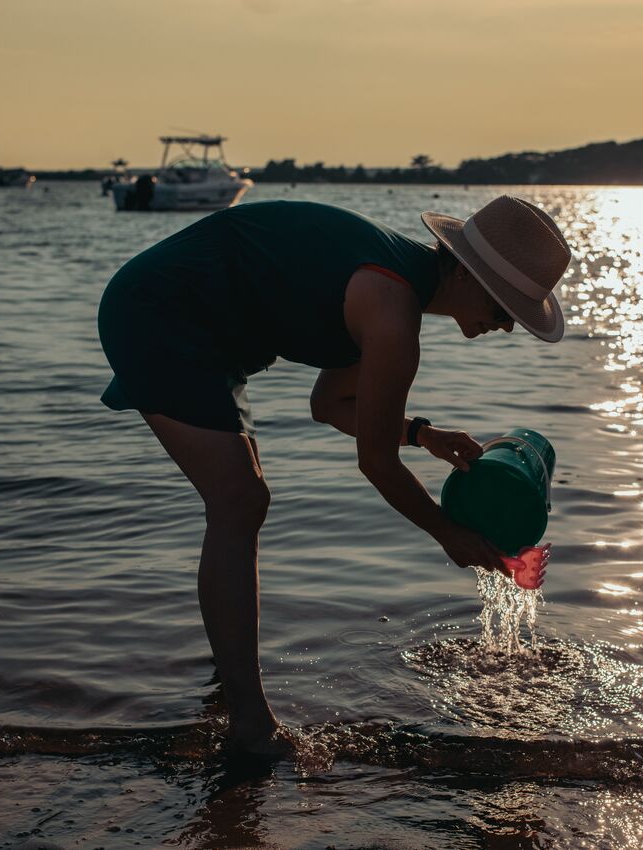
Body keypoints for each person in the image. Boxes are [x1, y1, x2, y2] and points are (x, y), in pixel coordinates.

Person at [96, 196, 571, 756]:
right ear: (466, 271)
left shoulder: (396, 291)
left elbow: (329, 404)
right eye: (505, 309)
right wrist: (450, 534)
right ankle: (250, 723)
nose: (508, 327)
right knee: (239, 500)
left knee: (240, 501)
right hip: (162, 311)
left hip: (211, 335)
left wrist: (421, 434)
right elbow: (374, 461)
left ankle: (231, 683)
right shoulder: (392, 313)